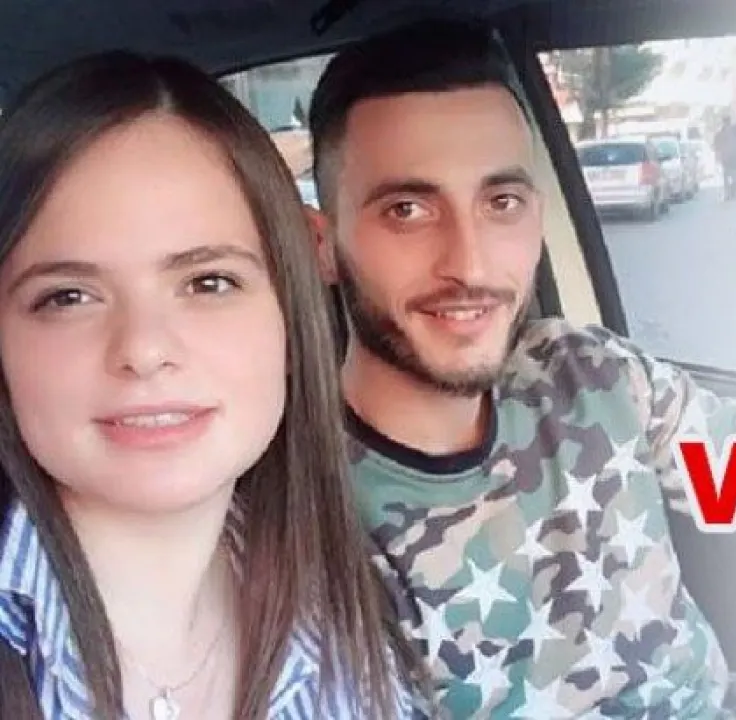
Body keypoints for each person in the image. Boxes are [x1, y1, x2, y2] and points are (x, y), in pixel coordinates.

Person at [305, 20, 736, 719]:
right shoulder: (305, 521)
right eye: (409, 210)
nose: (471, 264)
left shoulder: (587, 373)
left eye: (502, 203)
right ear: (322, 245)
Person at [0, 52, 429, 719]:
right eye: (68, 296)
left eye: (208, 283)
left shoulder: (351, 609)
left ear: (290, 316)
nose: (144, 350)